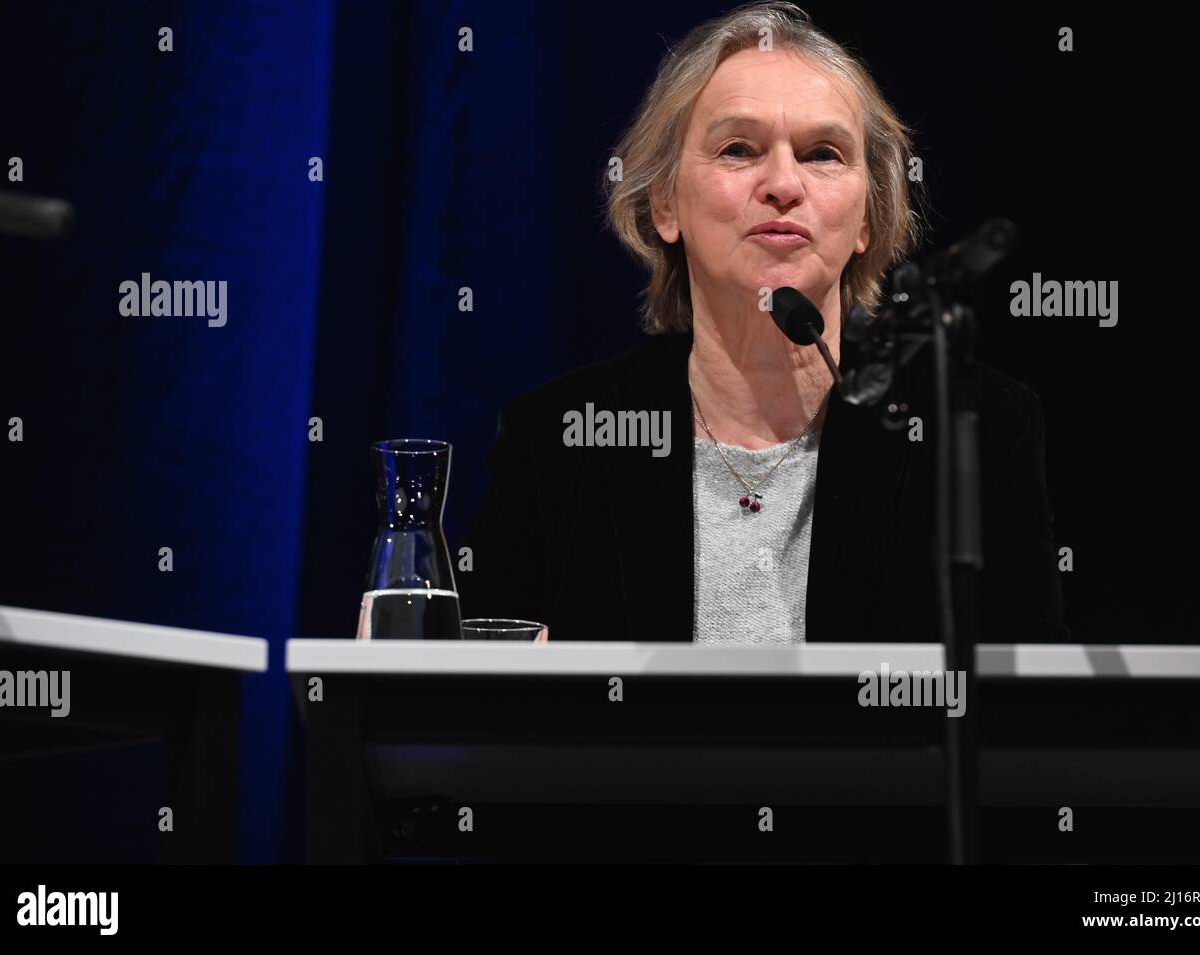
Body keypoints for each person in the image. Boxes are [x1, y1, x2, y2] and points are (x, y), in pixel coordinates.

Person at [456, 1, 1068, 645]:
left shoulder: (970, 426)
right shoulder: (557, 440)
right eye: (739, 149)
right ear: (665, 203)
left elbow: (1029, 721)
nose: (783, 183)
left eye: (823, 154)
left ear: (866, 218)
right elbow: (464, 711)